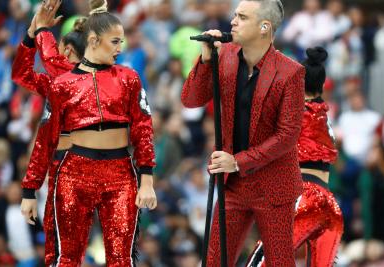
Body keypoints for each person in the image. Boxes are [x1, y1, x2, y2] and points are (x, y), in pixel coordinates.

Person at [19, 0, 157, 266]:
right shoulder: (63, 84)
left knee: (122, 259)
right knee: (67, 258)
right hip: (73, 172)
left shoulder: (129, 78)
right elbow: (45, 140)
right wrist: (29, 190)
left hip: (120, 172)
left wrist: (147, 179)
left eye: (122, 41)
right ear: (93, 40)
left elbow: (143, 127)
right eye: (115, 41)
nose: (121, 48)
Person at [181, 0, 305, 265]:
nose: (233, 21)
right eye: (235, 15)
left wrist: (238, 161)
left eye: (242, 17)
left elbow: (288, 135)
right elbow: (190, 100)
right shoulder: (223, 55)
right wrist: (204, 61)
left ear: (264, 27)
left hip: (274, 187)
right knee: (214, 261)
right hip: (233, 185)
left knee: (280, 261)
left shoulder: (290, 72)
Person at [245, 47, 343, 267]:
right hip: (330, 205)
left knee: (259, 263)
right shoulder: (324, 117)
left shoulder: (293, 113)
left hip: (304, 195)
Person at [12, 1, 85, 265]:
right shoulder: (56, 84)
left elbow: (54, 64)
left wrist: (41, 30)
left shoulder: (87, 78)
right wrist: (30, 37)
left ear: (67, 50)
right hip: (60, 171)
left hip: (88, 172)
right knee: (56, 254)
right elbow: (22, 75)